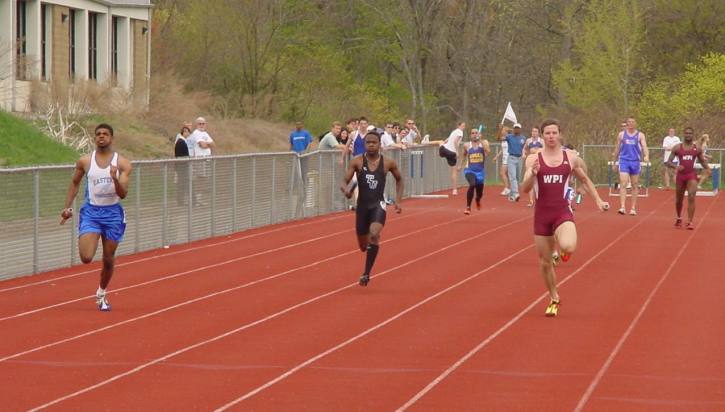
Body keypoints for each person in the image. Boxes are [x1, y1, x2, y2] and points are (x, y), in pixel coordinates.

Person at [520, 119, 609, 317]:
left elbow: (585, 179)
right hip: (541, 216)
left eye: (554, 133)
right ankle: (554, 297)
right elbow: (524, 189)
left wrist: (598, 201)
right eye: (547, 133)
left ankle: (564, 252)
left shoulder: (570, 158)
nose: (551, 136)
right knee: (545, 263)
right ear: (542, 136)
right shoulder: (533, 159)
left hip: (562, 212)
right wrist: (532, 175)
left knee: (568, 246)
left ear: (560, 134)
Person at [59, 124, 132, 311]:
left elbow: (123, 194)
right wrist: (67, 207)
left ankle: (101, 292)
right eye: (98, 134)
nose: (101, 137)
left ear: (111, 138)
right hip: (92, 212)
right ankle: (89, 233)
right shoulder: (85, 161)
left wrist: (114, 178)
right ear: (94, 138)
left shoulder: (123, 164)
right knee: (86, 257)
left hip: (113, 214)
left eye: (105, 134)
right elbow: (74, 183)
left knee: (108, 259)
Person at [340, 131, 404, 286]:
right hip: (362, 208)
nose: (370, 145)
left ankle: (366, 274)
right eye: (368, 142)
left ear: (379, 145)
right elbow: (344, 180)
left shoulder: (388, 163)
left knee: (374, 234)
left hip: (378, 205)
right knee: (363, 246)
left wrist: (398, 201)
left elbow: (399, 179)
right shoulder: (357, 162)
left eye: (374, 142)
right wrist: (346, 190)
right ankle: (367, 248)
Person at [666, 127, 710, 229]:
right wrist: (676, 166)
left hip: (691, 175)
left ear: (693, 135)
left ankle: (690, 221)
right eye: (686, 133)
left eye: (690, 133)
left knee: (691, 196)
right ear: (683, 134)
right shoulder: (677, 148)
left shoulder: (697, 148)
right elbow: (668, 162)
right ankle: (679, 217)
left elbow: (702, 161)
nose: (688, 135)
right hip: (681, 176)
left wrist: (708, 169)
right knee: (679, 200)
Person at [612, 116, 649, 215]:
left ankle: (633, 208)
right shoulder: (621, 135)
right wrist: (614, 162)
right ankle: (622, 207)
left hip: (635, 161)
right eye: (629, 122)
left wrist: (646, 155)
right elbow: (617, 149)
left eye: (633, 122)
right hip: (624, 160)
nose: (631, 124)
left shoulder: (640, 135)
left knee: (634, 184)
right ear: (627, 123)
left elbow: (644, 146)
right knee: (623, 183)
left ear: (635, 123)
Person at [462, 128, 490, 214]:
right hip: (469, 170)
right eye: (472, 133)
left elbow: (488, 151)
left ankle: (477, 200)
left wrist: (480, 140)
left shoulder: (484, 143)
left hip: (480, 172)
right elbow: (464, 155)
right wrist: (460, 165)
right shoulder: (467, 145)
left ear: (479, 134)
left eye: (476, 133)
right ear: (470, 135)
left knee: (479, 193)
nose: (474, 134)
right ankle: (468, 207)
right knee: (472, 184)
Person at [439, 121, 465, 195]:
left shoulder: (454, 132)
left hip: (445, 150)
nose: (464, 127)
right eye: (463, 126)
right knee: (454, 171)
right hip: (452, 153)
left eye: (464, 126)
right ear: (459, 126)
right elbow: (455, 142)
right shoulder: (460, 132)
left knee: (440, 142)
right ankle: (454, 190)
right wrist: (457, 151)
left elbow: (447, 140)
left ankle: (425, 142)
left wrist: (443, 143)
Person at [502, 123, 526, 202]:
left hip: (519, 158)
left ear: (520, 129)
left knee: (518, 178)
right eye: (515, 128)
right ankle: (516, 193)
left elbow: (524, 148)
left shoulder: (523, 138)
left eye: (518, 128)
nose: (516, 129)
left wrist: (524, 154)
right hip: (511, 158)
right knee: (512, 177)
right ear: (513, 129)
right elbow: (499, 138)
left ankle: (511, 196)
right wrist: (500, 129)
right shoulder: (509, 137)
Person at [524, 127, 543, 206]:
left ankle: (540, 199)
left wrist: (538, 151)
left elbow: (545, 150)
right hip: (530, 160)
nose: (534, 133)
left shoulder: (542, 141)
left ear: (538, 133)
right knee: (529, 178)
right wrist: (524, 154)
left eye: (535, 131)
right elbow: (524, 149)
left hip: (539, 160)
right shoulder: (528, 141)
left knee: (539, 180)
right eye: (533, 131)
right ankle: (531, 200)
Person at [174, 126, 192, 206]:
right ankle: (180, 202)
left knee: (182, 184)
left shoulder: (182, 141)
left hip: (182, 166)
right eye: (187, 132)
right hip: (182, 166)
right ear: (184, 132)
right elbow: (182, 155)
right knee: (181, 184)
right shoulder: (181, 142)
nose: (188, 134)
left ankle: (182, 201)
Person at [493, 126, 511, 196]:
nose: (502, 132)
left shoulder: (509, 137)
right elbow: (502, 150)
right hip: (504, 158)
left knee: (502, 173)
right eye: (502, 130)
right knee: (506, 174)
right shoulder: (503, 139)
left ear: (506, 131)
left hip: (508, 158)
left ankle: (507, 188)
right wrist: (496, 157)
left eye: (503, 130)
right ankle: (509, 188)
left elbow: (498, 138)